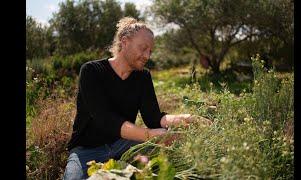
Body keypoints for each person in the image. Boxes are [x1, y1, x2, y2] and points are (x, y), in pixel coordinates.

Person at [63, 17, 202, 180]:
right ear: (124, 42)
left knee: (174, 164)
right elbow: (105, 119)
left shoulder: (143, 76)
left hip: (125, 143)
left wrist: (186, 119)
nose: (147, 56)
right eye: (143, 48)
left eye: (150, 51)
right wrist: (150, 135)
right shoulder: (92, 71)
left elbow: (154, 118)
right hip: (86, 150)